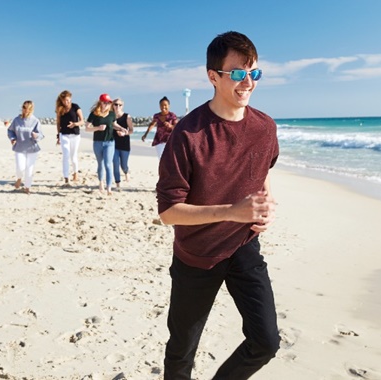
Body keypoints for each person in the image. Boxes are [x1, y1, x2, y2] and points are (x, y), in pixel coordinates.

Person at [156, 31, 280, 379]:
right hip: (196, 256)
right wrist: (231, 211)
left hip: (243, 248)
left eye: (253, 73)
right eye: (238, 74)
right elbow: (168, 213)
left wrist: (266, 205)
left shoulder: (265, 127)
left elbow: (263, 172)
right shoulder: (188, 134)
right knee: (181, 352)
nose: (248, 82)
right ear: (213, 76)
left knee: (266, 341)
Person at [85, 93, 120, 195]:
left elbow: (114, 125)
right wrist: (97, 128)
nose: (107, 104)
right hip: (98, 142)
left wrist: (122, 129)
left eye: (109, 103)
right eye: (105, 102)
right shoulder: (94, 113)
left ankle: (109, 188)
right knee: (100, 163)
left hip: (110, 142)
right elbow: (87, 128)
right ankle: (101, 182)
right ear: (100, 102)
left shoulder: (112, 114)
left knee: (108, 164)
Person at [7, 100, 44, 194]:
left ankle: (27, 187)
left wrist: (36, 136)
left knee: (29, 169)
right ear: (22, 108)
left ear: (32, 110)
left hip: (32, 148)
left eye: (28, 109)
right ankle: (19, 178)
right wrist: (12, 138)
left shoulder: (35, 121)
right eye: (24, 108)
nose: (26, 110)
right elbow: (10, 131)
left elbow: (41, 135)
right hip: (19, 147)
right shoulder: (17, 120)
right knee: (20, 167)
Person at [55, 90, 84, 185]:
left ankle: (75, 173)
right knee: (66, 155)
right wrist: (58, 135)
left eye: (67, 100)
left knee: (73, 156)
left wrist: (75, 124)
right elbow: (58, 123)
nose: (66, 102)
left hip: (75, 135)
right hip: (64, 135)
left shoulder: (76, 107)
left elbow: (82, 121)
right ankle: (66, 177)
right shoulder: (60, 108)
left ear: (70, 98)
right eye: (64, 100)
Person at [112, 97, 133, 190]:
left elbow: (131, 130)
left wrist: (124, 133)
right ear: (112, 105)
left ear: (122, 106)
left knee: (123, 165)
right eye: (116, 104)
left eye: (119, 105)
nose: (117, 106)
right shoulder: (110, 116)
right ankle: (118, 183)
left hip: (124, 144)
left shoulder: (127, 116)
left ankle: (126, 171)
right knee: (115, 164)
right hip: (113, 144)